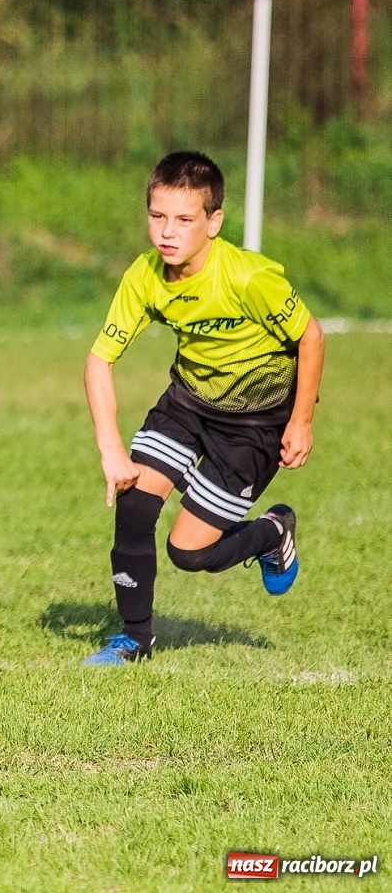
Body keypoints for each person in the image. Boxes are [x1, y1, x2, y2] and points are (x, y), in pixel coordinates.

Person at [83, 151, 324, 666]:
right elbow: (99, 360)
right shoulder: (144, 276)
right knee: (134, 503)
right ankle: (134, 640)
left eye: (184, 219)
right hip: (188, 403)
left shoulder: (246, 277)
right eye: (157, 216)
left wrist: (300, 420)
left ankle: (271, 532)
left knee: (188, 552)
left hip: (256, 424)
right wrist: (110, 449)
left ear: (213, 222)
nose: (167, 232)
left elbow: (311, 336)